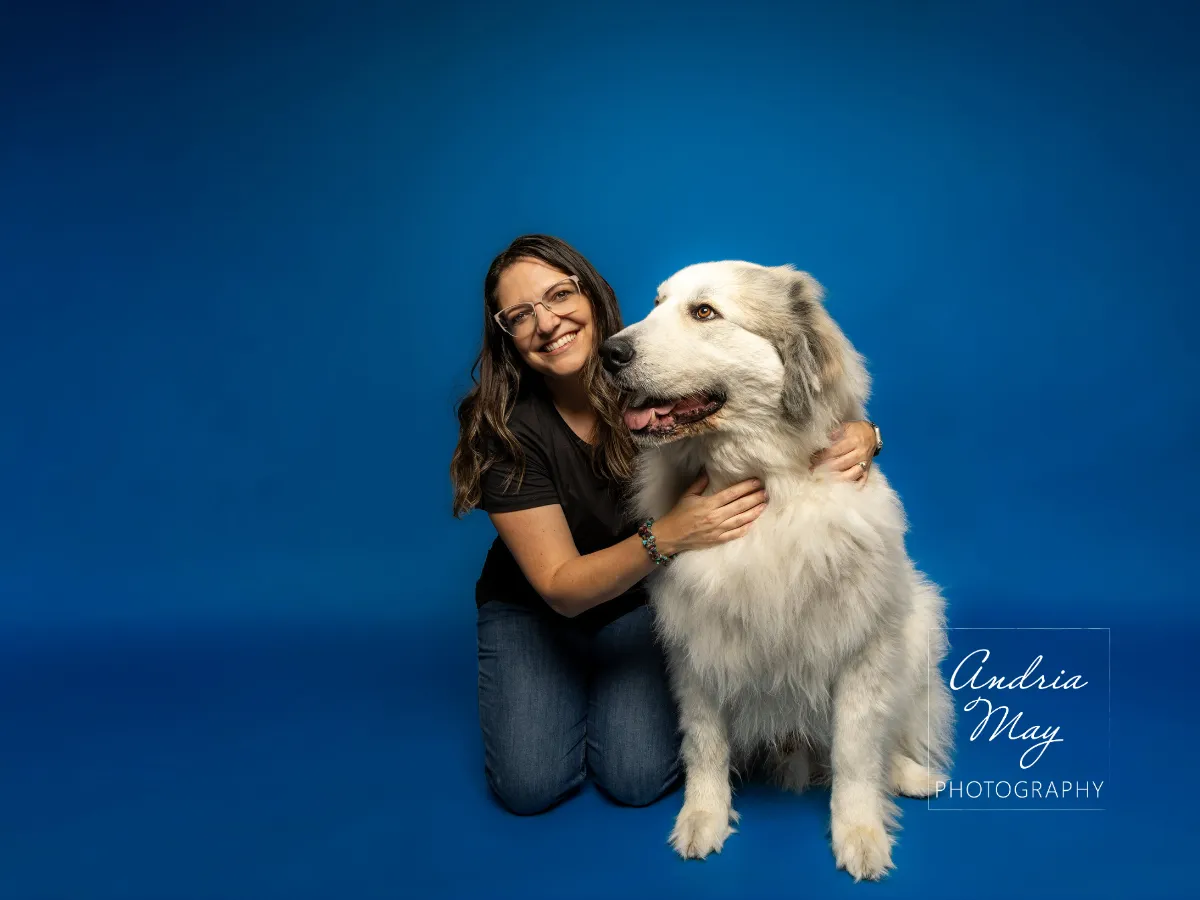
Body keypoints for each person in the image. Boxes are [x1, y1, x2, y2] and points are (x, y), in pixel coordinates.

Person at [450, 235, 882, 816]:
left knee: (636, 778)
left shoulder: (651, 373)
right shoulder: (505, 430)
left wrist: (861, 432)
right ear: (506, 334)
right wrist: (672, 534)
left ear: (590, 294)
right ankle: (553, 686)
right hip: (542, 608)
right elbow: (559, 586)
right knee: (531, 786)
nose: (547, 322)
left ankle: (597, 695)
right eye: (520, 315)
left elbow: (786, 413)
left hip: (632, 600)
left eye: (558, 295)